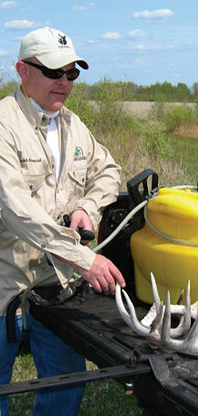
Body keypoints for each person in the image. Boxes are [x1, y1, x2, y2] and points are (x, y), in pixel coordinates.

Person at [0, 27, 126, 415]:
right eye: (55, 72)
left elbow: (108, 170)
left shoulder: (73, 126)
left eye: (72, 73)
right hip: (6, 284)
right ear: (23, 70)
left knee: (64, 386)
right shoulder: (4, 124)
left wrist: (87, 206)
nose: (64, 83)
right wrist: (84, 258)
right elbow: (15, 206)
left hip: (58, 284)